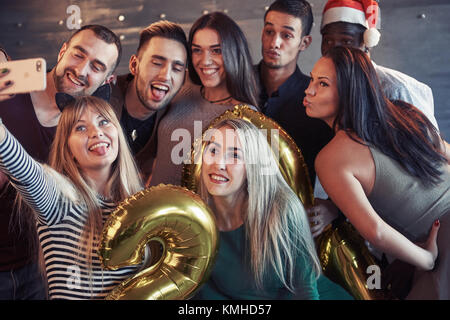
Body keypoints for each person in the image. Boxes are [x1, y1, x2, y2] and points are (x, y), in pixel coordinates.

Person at [304, 46, 449, 299]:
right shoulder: (404, 113)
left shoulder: (331, 158)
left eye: (323, 83)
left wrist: (426, 260)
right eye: (311, 79)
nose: (309, 90)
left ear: (349, 92)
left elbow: (376, 231)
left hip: (441, 244)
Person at [0, 25, 121, 300]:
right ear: (63, 50)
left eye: (96, 66)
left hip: (37, 269)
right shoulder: (8, 90)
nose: (81, 70)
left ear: (107, 80)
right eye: (79, 55)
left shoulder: (90, 138)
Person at [0, 95, 144, 299]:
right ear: (67, 147)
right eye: (80, 128)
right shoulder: (57, 199)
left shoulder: (144, 204)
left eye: (103, 121)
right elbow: (17, 163)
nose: (96, 132)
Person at [193, 118, 321, 299]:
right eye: (213, 150)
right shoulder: (196, 216)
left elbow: (304, 292)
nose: (219, 164)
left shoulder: (282, 210)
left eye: (235, 155)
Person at [256, 0, 338, 238]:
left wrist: (334, 208)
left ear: (305, 42)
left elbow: (359, 161)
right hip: (232, 226)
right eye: (269, 31)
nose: (274, 43)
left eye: (287, 35)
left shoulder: (316, 99)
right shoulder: (238, 87)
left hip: (292, 232)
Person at [149, 12, 259, 187]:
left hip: (193, 212)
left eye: (216, 51)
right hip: (152, 205)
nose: (204, 61)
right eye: (197, 50)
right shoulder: (182, 87)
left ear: (234, 52)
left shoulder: (245, 114)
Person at [320, 0, 438, 130]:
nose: (335, 49)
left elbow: (430, 146)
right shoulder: (324, 89)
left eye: (346, 41)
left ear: (367, 43)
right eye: (328, 41)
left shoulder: (397, 88)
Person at [110, 21, 188, 182]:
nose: (166, 76)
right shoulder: (102, 98)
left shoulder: (177, 118)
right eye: (157, 63)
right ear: (134, 65)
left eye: (177, 69)